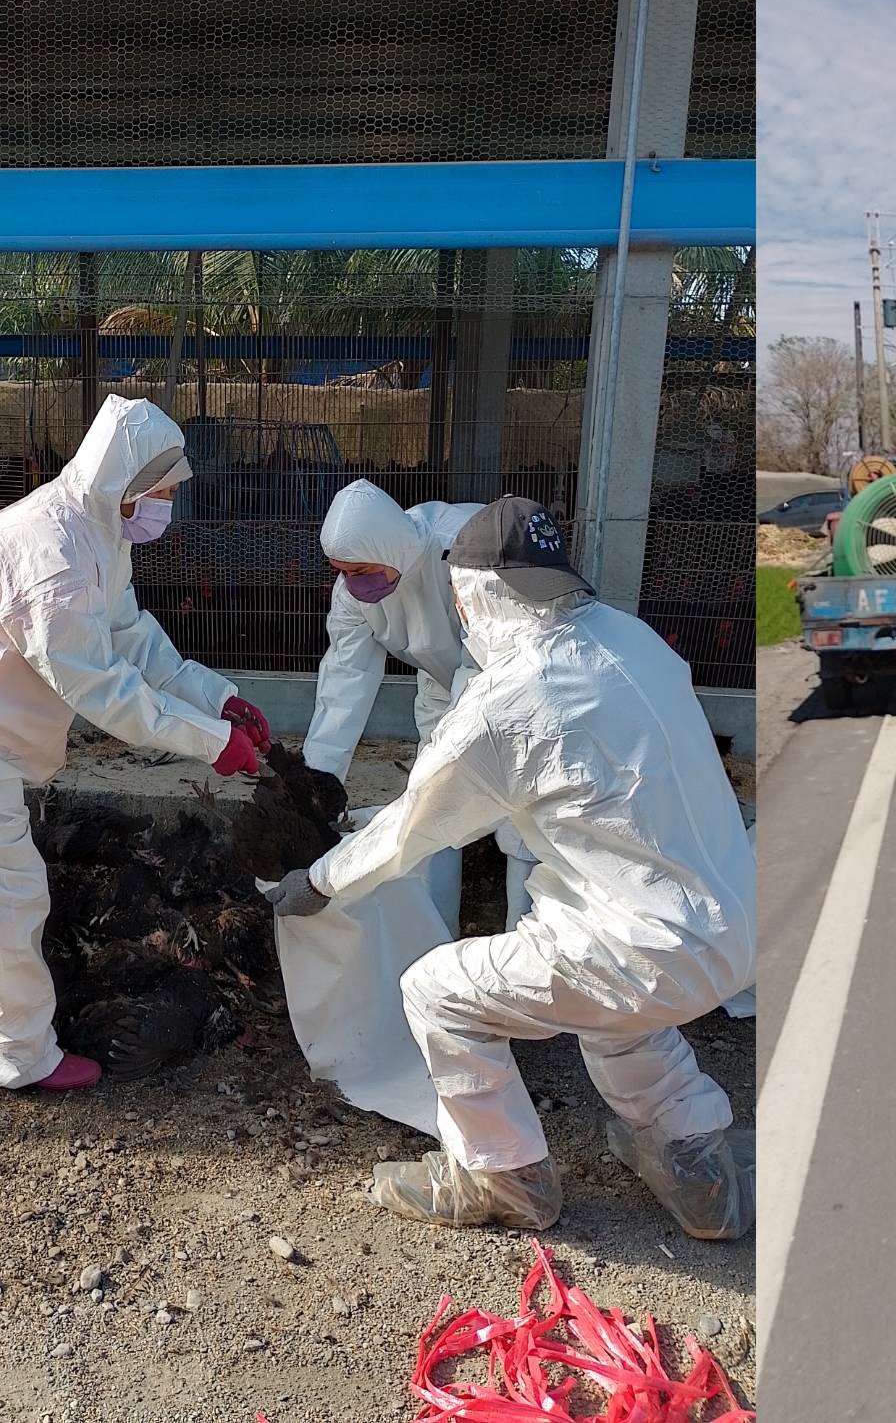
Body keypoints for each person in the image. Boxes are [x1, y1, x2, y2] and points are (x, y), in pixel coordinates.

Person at [262, 496, 754, 1239]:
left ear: (473, 593)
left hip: (652, 949)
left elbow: (412, 829)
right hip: (736, 927)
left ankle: (505, 1176)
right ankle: (697, 1166)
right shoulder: (634, 638)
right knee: (613, 1010)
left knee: (435, 990)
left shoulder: (509, 699)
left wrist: (322, 878)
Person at [0, 395, 269, 1092]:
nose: (168, 503)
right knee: (7, 891)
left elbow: (131, 636)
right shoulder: (52, 561)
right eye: (164, 491)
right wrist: (213, 743)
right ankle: (19, 1053)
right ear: (127, 486)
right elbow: (107, 690)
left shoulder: (91, 529)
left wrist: (217, 697)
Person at [300, 479, 536, 930]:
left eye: (360, 569)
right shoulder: (354, 590)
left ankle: (522, 939)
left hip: (516, 683)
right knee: (435, 807)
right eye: (341, 571)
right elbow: (345, 678)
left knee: (520, 815)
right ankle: (435, 940)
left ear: (390, 551)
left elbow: (488, 654)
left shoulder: (461, 551)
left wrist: (457, 745)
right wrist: (318, 781)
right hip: (443, 682)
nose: (352, 582)